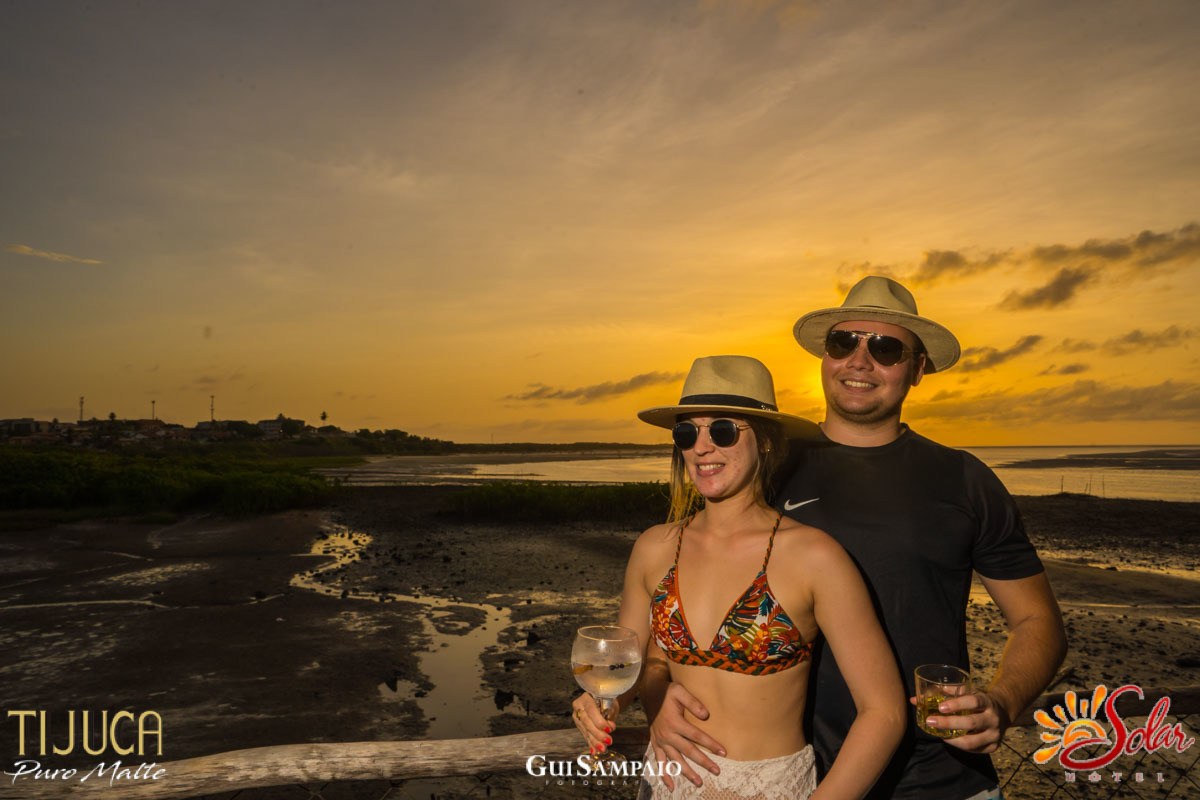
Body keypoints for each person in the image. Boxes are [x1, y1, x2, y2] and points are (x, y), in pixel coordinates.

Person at [647, 277, 1068, 799]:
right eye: (844, 342)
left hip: (941, 781)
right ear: (825, 358)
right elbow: (686, 610)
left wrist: (1003, 700)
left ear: (917, 369)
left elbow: (1038, 620)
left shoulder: (963, 479)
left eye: (887, 348)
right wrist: (660, 695)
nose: (860, 361)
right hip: (799, 779)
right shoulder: (759, 470)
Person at [572, 355, 906, 800]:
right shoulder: (655, 548)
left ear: (765, 441)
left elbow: (883, 712)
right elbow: (628, 665)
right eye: (687, 433)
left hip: (770, 789)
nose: (702, 447)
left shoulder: (813, 556)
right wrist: (603, 704)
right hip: (665, 787)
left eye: (723, 430)